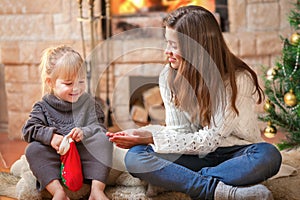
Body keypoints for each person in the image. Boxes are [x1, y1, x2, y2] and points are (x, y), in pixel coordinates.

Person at [106, 5, 282, 200]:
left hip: (235, 153)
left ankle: (181, 181)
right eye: (167, 43)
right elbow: (178, 132)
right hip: (193, 154)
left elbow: (209, 140)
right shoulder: (168, 75)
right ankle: (218, 190)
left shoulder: (238, 79)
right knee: (136, 157)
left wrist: (151, 139)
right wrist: (147, 134)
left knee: (269, 155)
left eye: (173, 45)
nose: (166, 52)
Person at [22, 45, 112, 200]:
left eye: (81, 82)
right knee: (33, 150)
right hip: (58, 160)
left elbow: (99, 128)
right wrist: (51, 137)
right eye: (69, 83)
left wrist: (85, 132)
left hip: (84, 158)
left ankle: (97, 190)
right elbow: (29, 129)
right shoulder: (42, 107)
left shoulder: (89, 103)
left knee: (104, 140)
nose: (76, 88)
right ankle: (58, 191)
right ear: (50, 82)